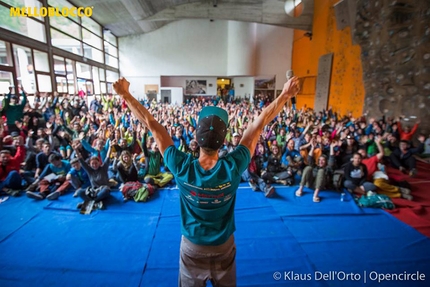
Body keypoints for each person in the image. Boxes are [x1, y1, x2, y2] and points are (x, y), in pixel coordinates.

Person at [113, 76, 299, 287]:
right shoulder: (235, 164)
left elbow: (151, 124)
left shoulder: (181, 165)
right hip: (224, 246)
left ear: (196, 136)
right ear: (224, 140)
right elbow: (259, 123)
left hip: (192, 247)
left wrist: (125, 94)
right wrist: (285, 94)